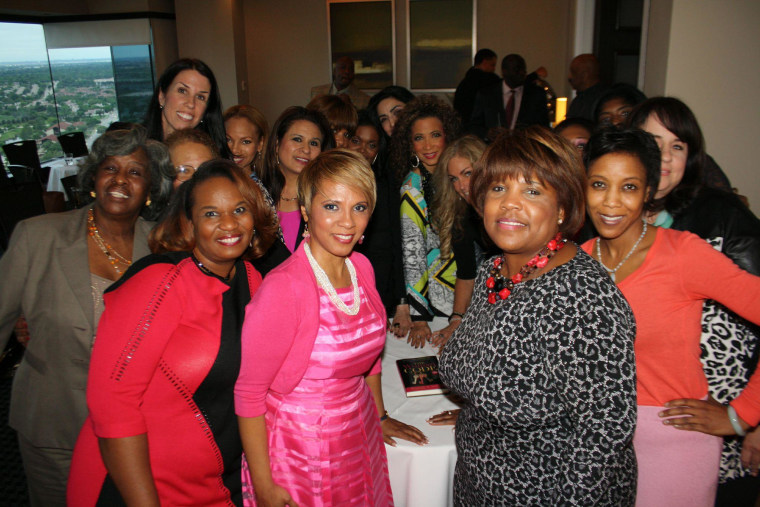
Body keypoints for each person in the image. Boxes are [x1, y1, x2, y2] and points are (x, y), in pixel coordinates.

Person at [438, 126, 637, 505]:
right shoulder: (494, 270)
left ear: (562, 208)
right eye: (498, 189)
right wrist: (480, 410)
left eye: (531, 191)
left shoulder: (580, 295)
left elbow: (604, 430)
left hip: (547, 493)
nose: (509, 204)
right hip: (479, 484)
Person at [67, 160, 277, 506]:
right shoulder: (159, 282)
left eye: (239, 209)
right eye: (211, 214)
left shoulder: (253, 281)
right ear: (189, 223)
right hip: (138, 488)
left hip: (219, 483)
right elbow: (112, 405)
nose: (228, 224)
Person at [235, 149, 426, 506]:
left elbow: (370, 361)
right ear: (306, 211)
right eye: (332, 206)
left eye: (359, 207)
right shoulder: (283, 288)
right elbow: (248, 394)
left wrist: (379, 415)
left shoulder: (362, 269)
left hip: (356, 431)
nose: (348, 223)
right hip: (299, 447)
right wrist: (264, 486)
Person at [580, 128, 760, 506]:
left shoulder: (682, 253)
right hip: (591, 443)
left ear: (648, 192)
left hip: (671, 440)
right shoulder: (577, 260)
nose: (611, 202)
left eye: (628, 187)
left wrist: (741, 416)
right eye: (599, 184)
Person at [0, 124, 170, 506]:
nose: (120, 179)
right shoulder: (36, 236)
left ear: (150, 190)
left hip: (136, 431)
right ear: (93, 177)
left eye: (135, 171)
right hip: (53, 423)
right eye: (110, 168)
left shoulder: (162, 249)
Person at [628, 97, 760, 505]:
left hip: (710, 422)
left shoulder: (720, 215)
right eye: (652, 142)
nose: (664, 158)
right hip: (631, 426)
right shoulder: (607, 221)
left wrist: (748, 417)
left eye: (677, 146)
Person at [389, 95, 462, 346]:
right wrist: (420, 316)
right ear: (410, 146)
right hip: (438, 303)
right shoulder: (412, 188)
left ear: (447, 136)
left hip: (468, 293)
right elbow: (412, 253)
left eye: (435, 135)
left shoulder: (459, 176)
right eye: (419, 138)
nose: (428, 145)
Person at [429, 135, 489, 348]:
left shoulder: (507, 210)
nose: (462, 186)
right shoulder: (461, 214)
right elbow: (466, 272)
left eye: (468, 174)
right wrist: (456, 319)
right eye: (453, 179)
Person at [349, 110, 404, 320]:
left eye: (371, 145)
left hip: (380, 284)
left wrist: (401, 300)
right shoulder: (330, 182)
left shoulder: (385, 185)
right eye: (356, 140)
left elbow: (396, 242)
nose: (363, 149)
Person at [259, 106, 333, 255]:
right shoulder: (255, 195)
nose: (306, 150)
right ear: (277, 145)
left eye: (314, 143)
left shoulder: (328, 200)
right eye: (297, 139)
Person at [143, 58, 229, 157]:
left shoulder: (211, 157)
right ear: (162, 96)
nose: (191, 103)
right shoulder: (137, 151)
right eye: (182, 91)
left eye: (200, 97)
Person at [469, 54, 550, 140]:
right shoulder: (487, 94)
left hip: (524, 148)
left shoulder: (536, 94)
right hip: (494, 148)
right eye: (517, 70)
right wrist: (487, 133)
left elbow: (543, 127)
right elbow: (474, 125)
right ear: (504, 72)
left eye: (524, 70)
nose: (522, 73)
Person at [453, 48, 501, 124]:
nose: (494, 68)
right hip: (485, 127)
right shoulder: (491, 82)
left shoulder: (464, 83)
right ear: (484, 62)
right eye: (492, 65)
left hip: (465, 126)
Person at [224, 104, 269, 178]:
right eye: (228, 140)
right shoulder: (212, 181)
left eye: (245, 142)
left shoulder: (269, 184)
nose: (235, 150)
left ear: (260, 144)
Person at [567, 53, 609, 121]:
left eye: (573, 72)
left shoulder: (603, 100)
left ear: (584, 75)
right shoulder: (578, 100)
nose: (569, 77)